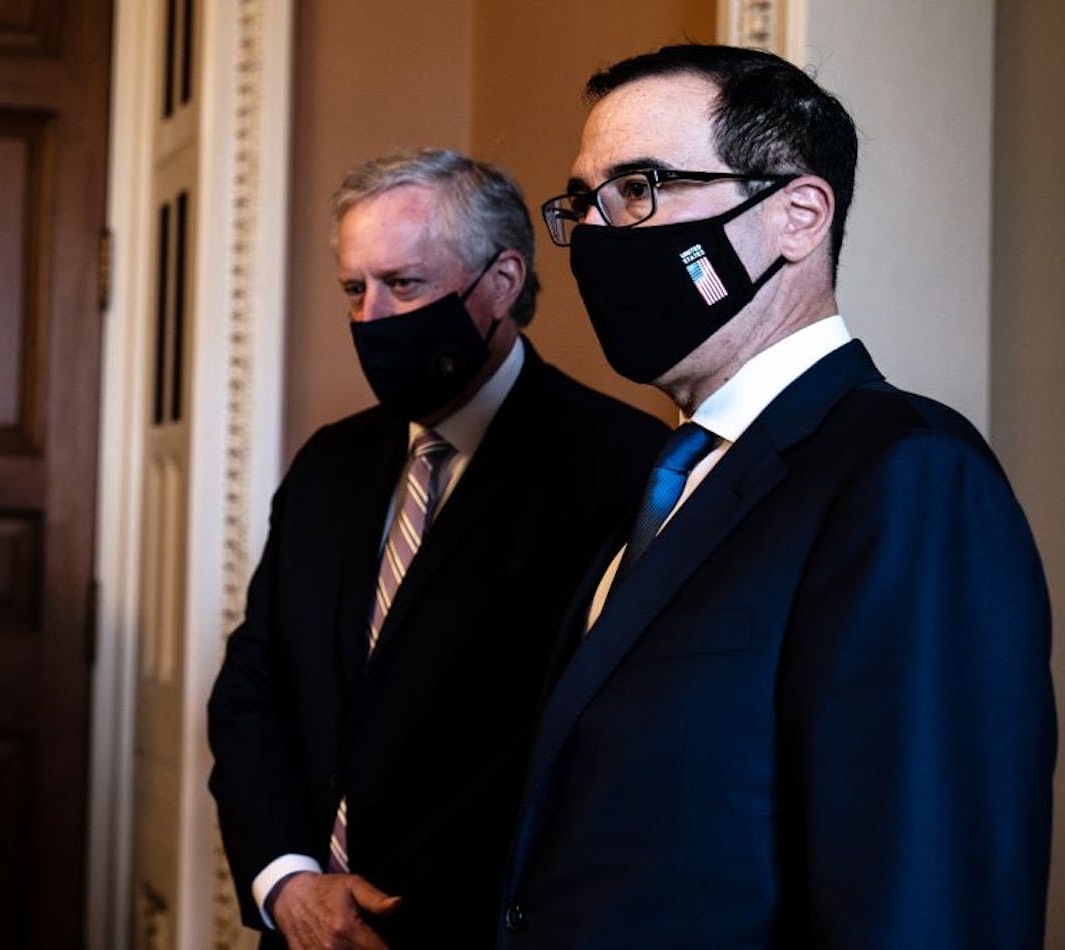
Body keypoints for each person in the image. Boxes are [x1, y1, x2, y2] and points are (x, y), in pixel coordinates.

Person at [498, 45, 1056, 947]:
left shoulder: (908, 476)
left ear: (798, 216)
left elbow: (925, 897)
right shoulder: (664, 482)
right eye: (584, 203)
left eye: (640, 188)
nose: (600, 234)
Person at [207, 148, 666, 948]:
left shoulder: (618, 465)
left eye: (405, 284)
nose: (373, 317)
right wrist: (287, 882)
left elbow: (590, 738)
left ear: (502, 281)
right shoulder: (328, 463)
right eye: (356, 289)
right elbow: (255, 685)